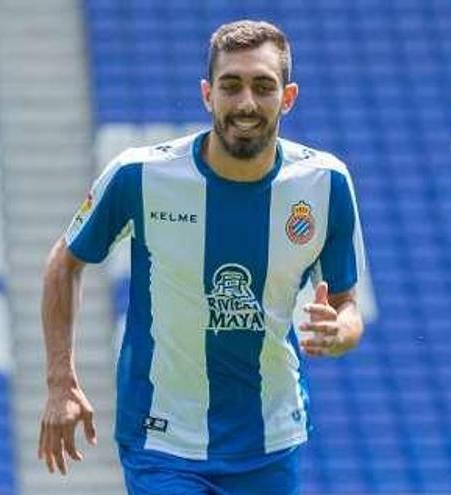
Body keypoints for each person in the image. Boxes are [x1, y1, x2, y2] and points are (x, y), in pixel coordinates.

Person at [37, 19, 366, 495]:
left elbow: (345, 301)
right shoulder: (140, 175)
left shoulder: (325, 183)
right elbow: (64, 263)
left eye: (263, 86)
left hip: (271, 438)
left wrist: (342, 332)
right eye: (231, 86)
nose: (246, 103)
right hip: (162, 439)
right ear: (207, 94)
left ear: (288, 97)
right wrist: (60, 381)